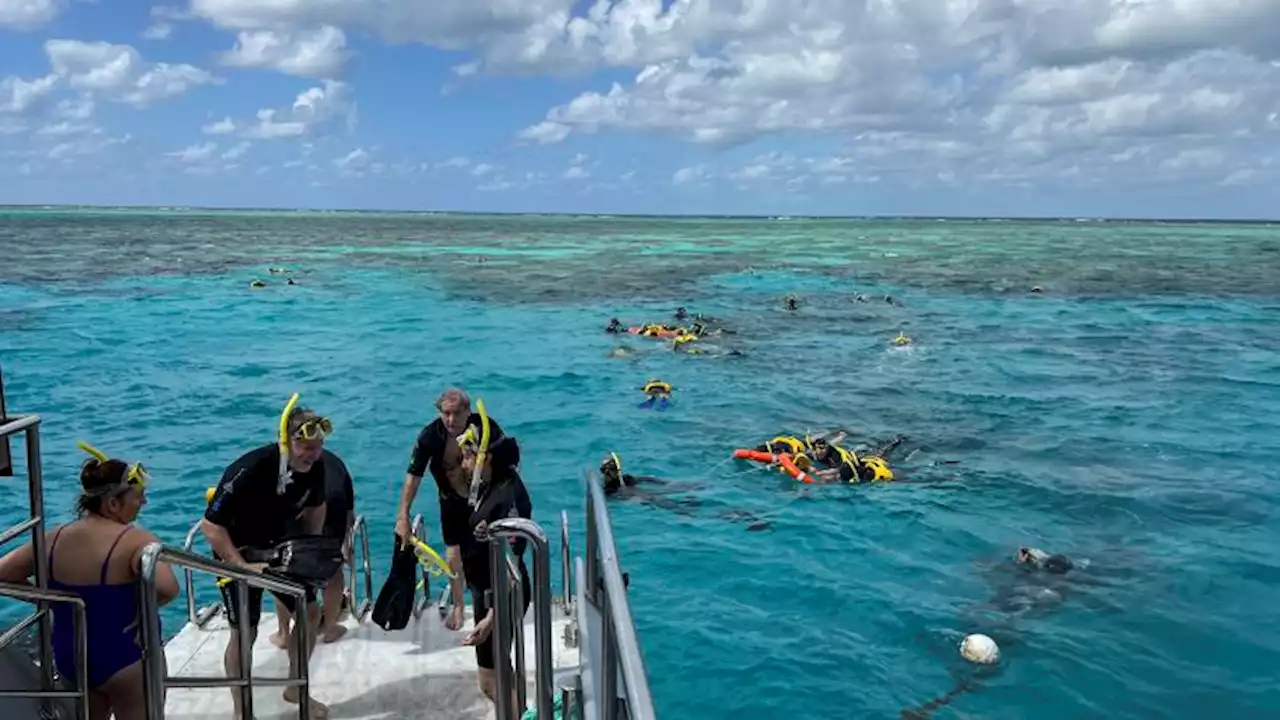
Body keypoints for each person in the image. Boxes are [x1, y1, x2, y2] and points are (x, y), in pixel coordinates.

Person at [0, 442, 179, 720]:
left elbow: (3, 575)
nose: (143, 503)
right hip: (126, 654)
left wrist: (50, 598)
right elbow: (168, 588)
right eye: (139, 496)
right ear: (112, 503)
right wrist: (142, 612)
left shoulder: (53, 538)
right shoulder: (136, 540)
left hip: (72, 657)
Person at [202, 397, 332, 720]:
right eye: (305, 448)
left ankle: (296, 688)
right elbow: (210, 525)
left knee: (310, 613)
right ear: (286, 441)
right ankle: (242, 712)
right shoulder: (253, 466)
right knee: (245, 631)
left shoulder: (316, 468)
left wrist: (311, 549)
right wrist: (240, 565)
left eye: (317, 448)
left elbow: (317, 506)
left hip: (279, 550)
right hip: (237, 551)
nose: (312, 455)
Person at [395, 387, 515, 631]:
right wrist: (403, 515)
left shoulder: (485, 427)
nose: (450, 420)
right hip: (451, 501)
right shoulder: (430, 436)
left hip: (484, 501)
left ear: (468, 411)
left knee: (491, 552)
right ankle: (460, 604)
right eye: (445, 413)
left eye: (456, 414)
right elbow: (413, 475)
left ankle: (497, 603)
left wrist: (507, 501)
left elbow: (508, 462)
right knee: (453, 556)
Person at [455, 419, 532, 716]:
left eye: (468, 457)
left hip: (502, 596)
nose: (463, 465)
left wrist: (493, 616)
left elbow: (513, 565)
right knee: (495, 674)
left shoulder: (508, 497)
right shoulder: (490, 485)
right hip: (486, 592)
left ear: (485, 457)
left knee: (493, 679)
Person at [271, 448, 355, 647]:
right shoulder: (335, 461)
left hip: (300, 507)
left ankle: (284, 632)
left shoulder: (279, 463)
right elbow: (348, 512)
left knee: (283, 571)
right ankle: (330, 629)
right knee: (334, 569)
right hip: (334, 506)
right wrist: (345, 545)